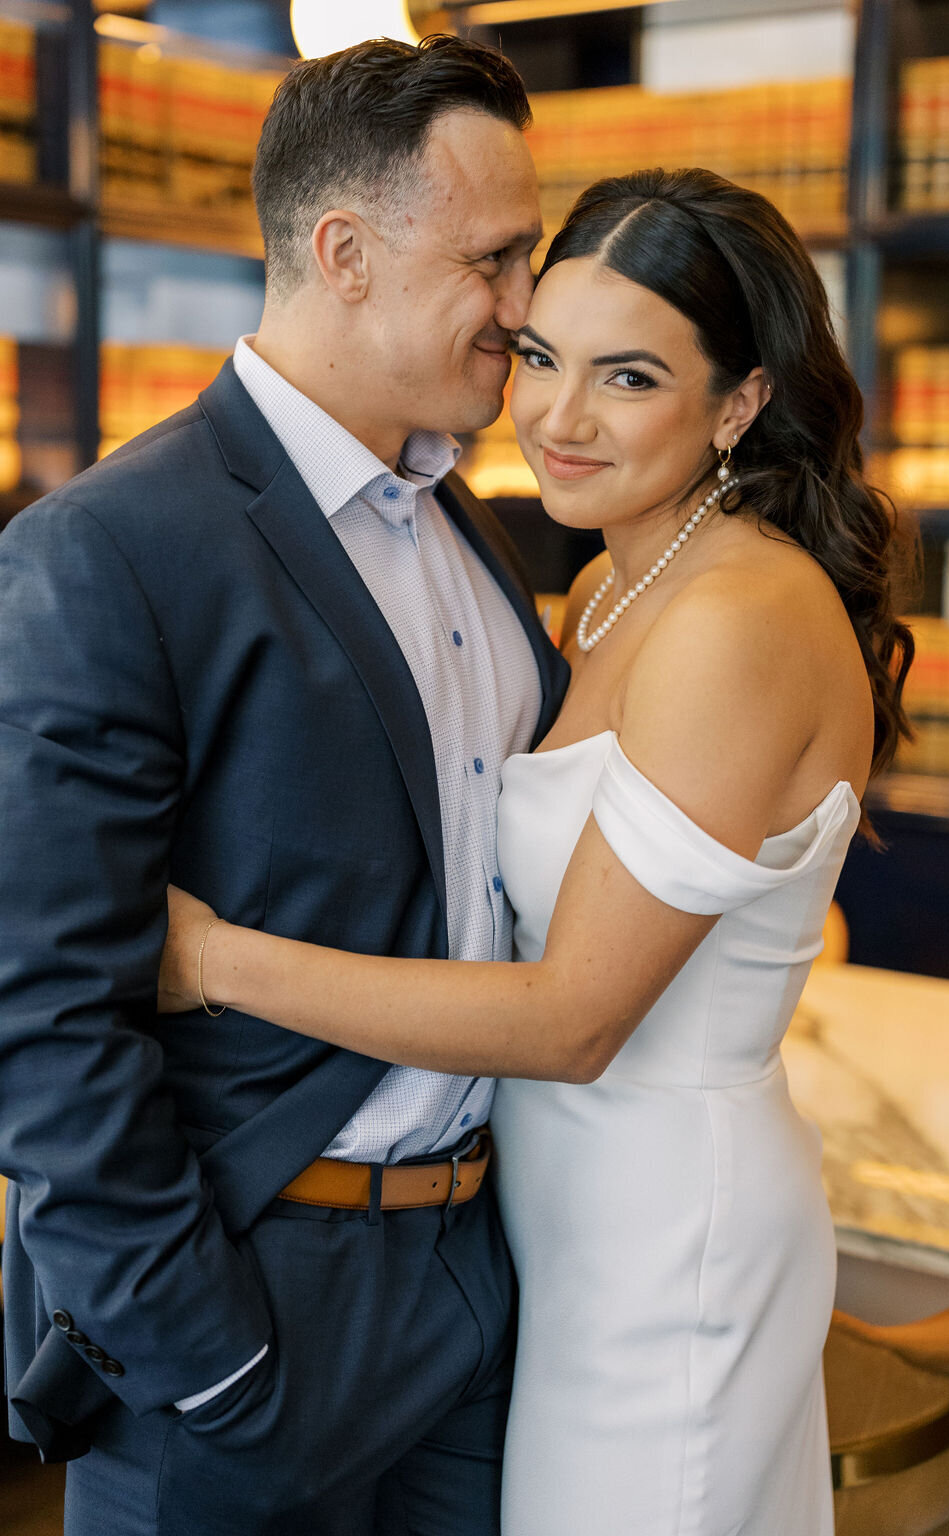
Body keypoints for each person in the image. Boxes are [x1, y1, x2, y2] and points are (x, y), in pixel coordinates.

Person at [159, 167, 915, 1535]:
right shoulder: (613, 580)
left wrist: (216, 957)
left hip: (667, 1237)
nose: (557, 419)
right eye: (541, 356)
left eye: (628, 378)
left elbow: (573, 1018)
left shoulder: (733, 617)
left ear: (738, 401)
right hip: (554, 1228)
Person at [0, 36, 568, 1536]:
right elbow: (44, 1014)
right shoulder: (110, 547)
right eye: (496, 260)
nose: (527, 310)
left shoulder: (476, 529)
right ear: (345, 253)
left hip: (475, 1287)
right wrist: (205, 1355)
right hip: (251, 1305)